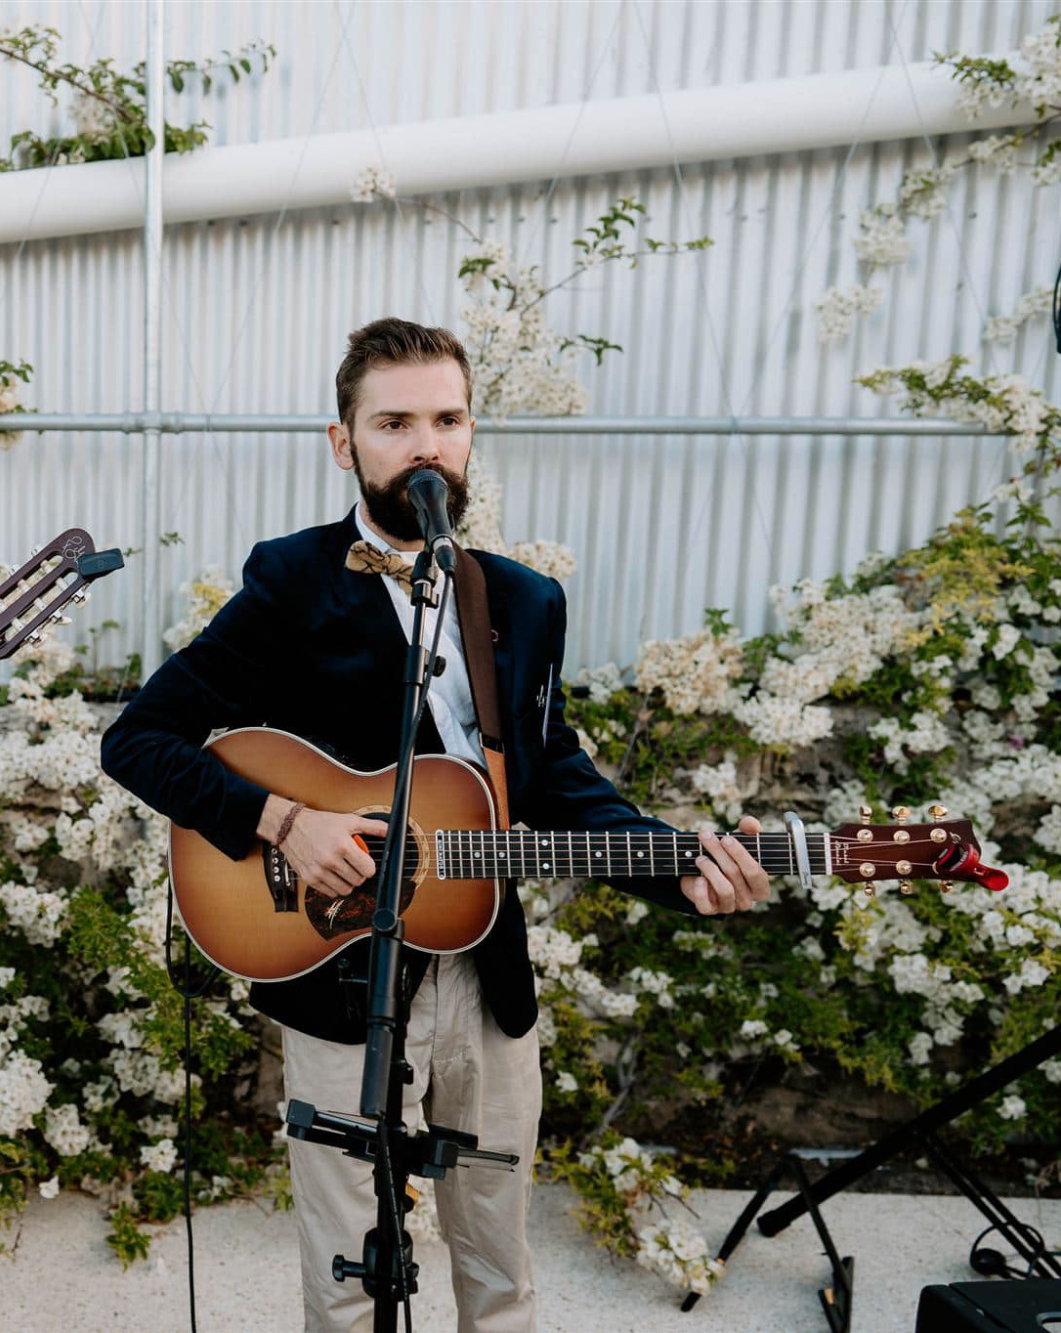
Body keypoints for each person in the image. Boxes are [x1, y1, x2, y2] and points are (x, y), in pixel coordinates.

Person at [100, 317, 771, 1333]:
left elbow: (551, 780)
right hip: (333, 972)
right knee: (346, 1273)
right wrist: (281, 819)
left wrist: (679, 866)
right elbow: (140, 737)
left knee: (496, 1259)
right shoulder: (291, 582)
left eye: (447, 419)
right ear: (344, 442)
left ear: (469, 435)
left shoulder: (522, 600)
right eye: (394, 421)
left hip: (484, 969)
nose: (426, 445)